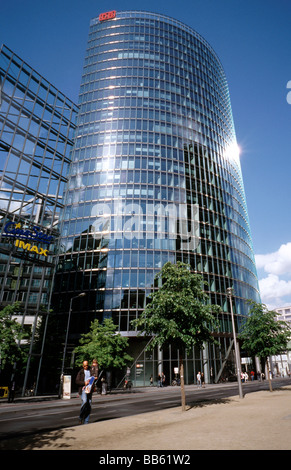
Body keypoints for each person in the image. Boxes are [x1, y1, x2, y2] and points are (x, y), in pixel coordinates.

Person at [75, 360, 94, 424]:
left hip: (89, 389)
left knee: (89, 405)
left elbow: (92, 379)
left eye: (87, 365)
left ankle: (86, 421)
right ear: (83, 366)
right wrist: (84, 383)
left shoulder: (90, 371)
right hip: (83, 389)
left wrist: (92, 381)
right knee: (85, 401)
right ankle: (80, 417)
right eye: (84, 365)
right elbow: (77, 381)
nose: (86, 366)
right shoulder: (81, 372)